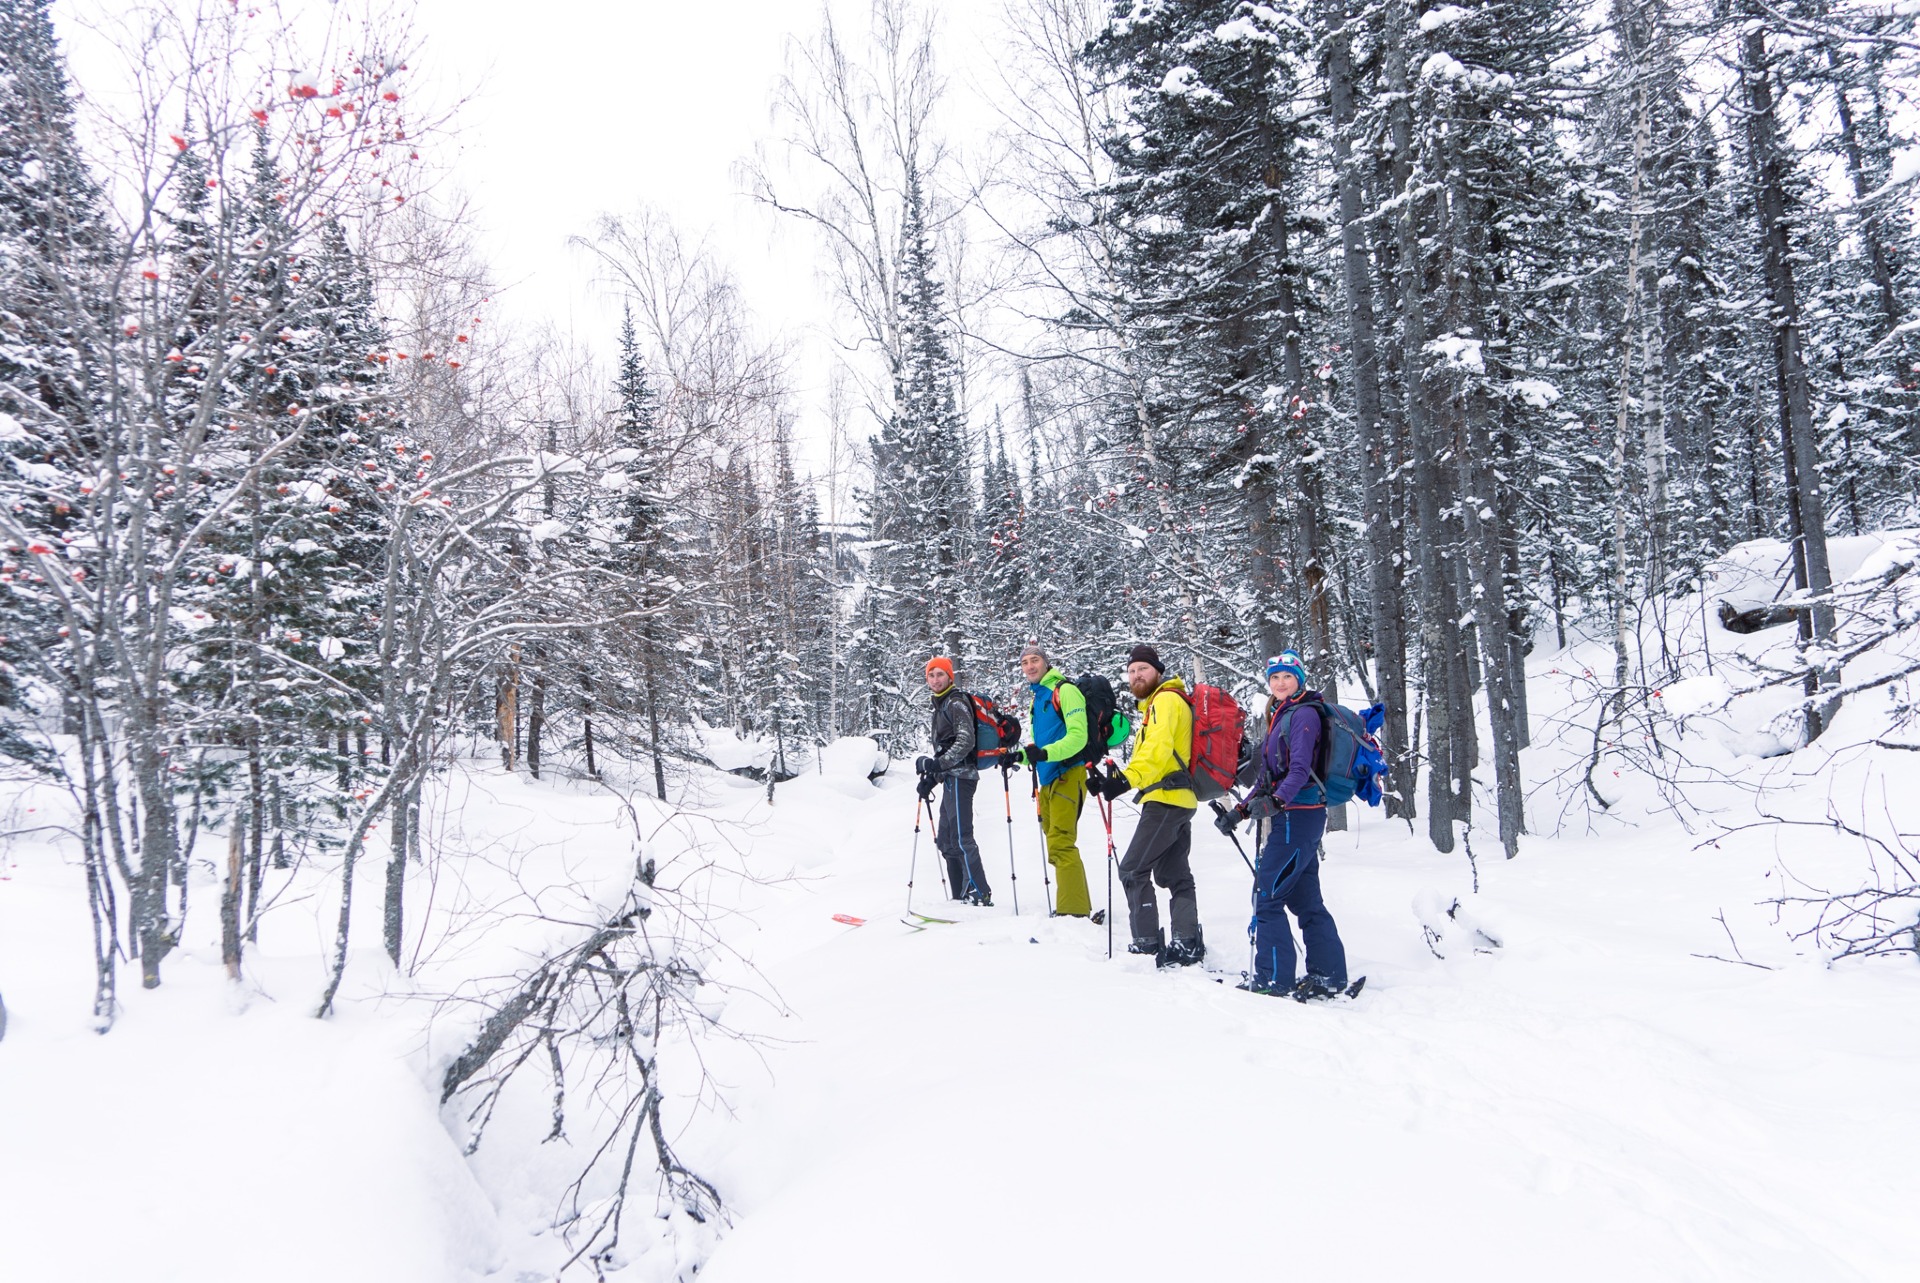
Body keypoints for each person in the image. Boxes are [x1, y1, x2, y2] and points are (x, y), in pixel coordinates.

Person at [1233, 650, 1349, 999]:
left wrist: (1277, 802)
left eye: (1287, 676)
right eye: (1274, 678)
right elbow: (1269, 777)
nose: (1281, 683)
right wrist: (1239, 811)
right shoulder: (1281, 715)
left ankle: (1273, 978)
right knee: (1306, 902)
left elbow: (1299, 769)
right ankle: (1328, 976)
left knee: (1266, 898)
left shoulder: (1304, 715)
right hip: (1296, 816)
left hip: (1296, 817)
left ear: (1299, 679)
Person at [1088, 644, 1204, 966]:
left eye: (1143, 669)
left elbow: (1158, 749)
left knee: (1132, 869)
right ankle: (1186, 941)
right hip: (1175, 798)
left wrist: (1125, 781)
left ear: (1158, 671)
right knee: (1174, 873)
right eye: (1132, 670)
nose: (1137, 675)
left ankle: (1146, 943)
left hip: (1166, 802)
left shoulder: (1165, 700)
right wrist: (1115, 779)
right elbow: (1151, 756)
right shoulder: (1159, 704)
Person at [1009, 643, 1096, 919]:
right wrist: (1020, 756)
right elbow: (1043, 743)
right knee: (1056, 840)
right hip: (1047, 779)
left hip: (1067, 773)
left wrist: (1045, 753)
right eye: (1025, 663)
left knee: (1061, 841)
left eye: (1035, 660)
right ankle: (1078, 904)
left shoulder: (1065, 691)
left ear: (1046, 663)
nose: (1030, 666)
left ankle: (1073, 913)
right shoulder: (1039, 698)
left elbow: (1077, 737)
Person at [916, 655, 993, 906]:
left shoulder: (956, 702)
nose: (936, 679)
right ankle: (960, 897)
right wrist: (933, 779)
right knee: (947, 840)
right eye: (931, 675)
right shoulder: (940, 706)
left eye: (941, 674)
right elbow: (946, 749)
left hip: (962, 778)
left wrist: (937, 765)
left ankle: (979, 892)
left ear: (950, 676)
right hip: (950, 778)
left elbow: (965, 741)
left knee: (962, 837)